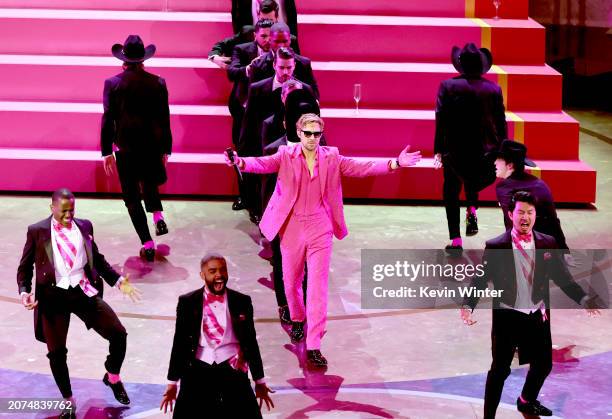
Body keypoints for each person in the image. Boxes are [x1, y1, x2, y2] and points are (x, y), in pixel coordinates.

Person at [225, 114, 422, 367]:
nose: (311, 138)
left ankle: (314, 344)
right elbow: (262, 164)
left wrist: (395, 163)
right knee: (291, 280)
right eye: (307, 133)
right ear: (298, 133)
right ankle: (297, 318)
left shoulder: (331, 157)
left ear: (321, 134)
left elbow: (362, 168)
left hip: (320, 226)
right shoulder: (285, 154)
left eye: (316, 134)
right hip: (292, 226)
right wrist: (239, 162)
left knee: (317, 287)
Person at [460, 191, 600, 418]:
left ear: (535, 215)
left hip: (537, 315)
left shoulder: (547, 242)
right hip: (508, 317)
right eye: (520, 212)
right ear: (510, 214)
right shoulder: (497, 246)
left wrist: (583, 298)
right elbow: (481, 278)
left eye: (530, 212)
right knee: (499, 371)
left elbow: (562, 277)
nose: (525, 217)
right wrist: (468, 306)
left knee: (543, 365)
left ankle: (525, 400)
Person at [16, 188, 141, 419]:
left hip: (83, 292)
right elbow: (25, 268)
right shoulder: (37, 231)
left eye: (71, 210)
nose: (68, 215)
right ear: (52, 208)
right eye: (63, 211)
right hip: (53, 298)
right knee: (56, 353)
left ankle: (112, 376)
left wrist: (118, 281)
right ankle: (68, 400)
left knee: (119, 334)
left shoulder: (85, 226)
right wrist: (24, 291)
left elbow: (98, 259)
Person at [160, 253, 274, 418]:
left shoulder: (242, 301)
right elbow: (179, 343)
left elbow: (250, 341)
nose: (219, 275)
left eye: (222, 270)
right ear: (202, 275)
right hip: (197, 369)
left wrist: (259, 380)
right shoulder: (187, 302)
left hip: (232, 368)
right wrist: (172, 382)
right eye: (212, 271)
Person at [101, 35, 172, 262]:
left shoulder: (112, 84)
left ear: (123, 60)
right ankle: (158, 215)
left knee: (131, 197)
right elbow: (164, 119)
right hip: (151, 146)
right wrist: (166, 149)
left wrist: (106, 151)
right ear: (143, 60)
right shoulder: (158, 82)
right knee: (150, 182)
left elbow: (108, 119)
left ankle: (148, 243)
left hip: (126, 149)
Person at [433, 43, 507, 253]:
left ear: (460, 64)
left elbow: (441, 119)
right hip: (485, 149)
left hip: (455, 148)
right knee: (473, 181)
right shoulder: (494, 89)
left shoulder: (447, 86)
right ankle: (472, 208)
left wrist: (438, 149)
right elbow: (501, 123)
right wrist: (502, 151)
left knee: (451, 189)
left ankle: (456, 240)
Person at [262, 87, 322, 324]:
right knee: (282, 262)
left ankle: (304, 306)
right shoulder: (275, 151)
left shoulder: (323, 149)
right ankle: (284, 305)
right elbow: (267, 192)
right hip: (284, 221)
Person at [239, 47, 315, 223]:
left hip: (294, 148)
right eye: (282, 67)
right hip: (264, 146)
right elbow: (249, 122)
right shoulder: (257, 88)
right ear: (274, 65)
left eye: (289, 67)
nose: (285, 72)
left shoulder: (305, 89)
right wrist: (244, 150)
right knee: (267, 189)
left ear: (295, 65)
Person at [492, 139, 573, 263]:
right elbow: (553, 220)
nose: (494, 163)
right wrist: (564, 250)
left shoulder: (504, 188)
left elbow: (513, 224)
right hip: (550, 249)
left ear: (509, 165)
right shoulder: (540, 183)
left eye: (498, 159)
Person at [227, 18, 275, 213]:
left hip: (268, 113)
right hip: (243, 111)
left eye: (269, 36)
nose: (266, 40)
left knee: (267, 155)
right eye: (262, 36)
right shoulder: (242, 49)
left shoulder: (279, 53)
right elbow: (232, 72)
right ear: (255, 35)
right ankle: (245, 197)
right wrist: (248, 69)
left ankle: (265, 203)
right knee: (243, 154)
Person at [249, 23, 318, 99]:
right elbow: (254, 96)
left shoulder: (304, 63)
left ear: (290, 40)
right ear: (270, 40)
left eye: (285, 41)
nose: (281, 45)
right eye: (277, 41)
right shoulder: (258, 65)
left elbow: (314, 95)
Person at [232, 0, 298, 44]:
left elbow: (292, 17)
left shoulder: (291, 38)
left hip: (283, 43)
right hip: (252, 46)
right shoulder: (246, 31)